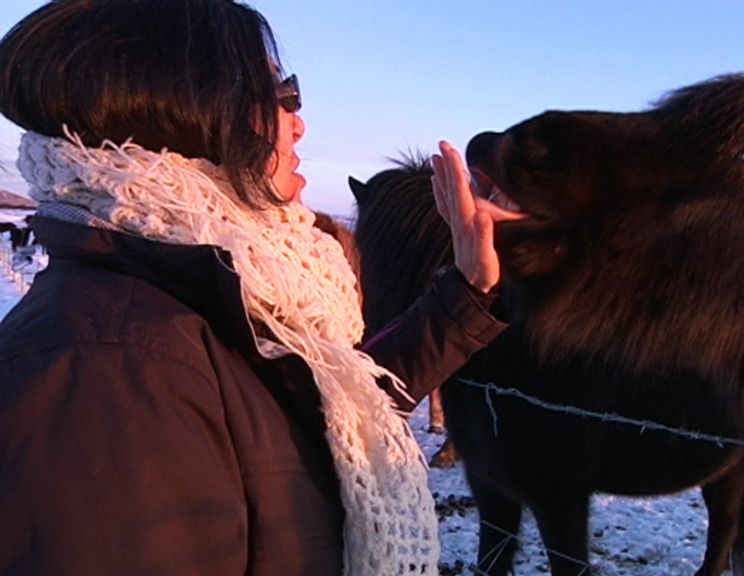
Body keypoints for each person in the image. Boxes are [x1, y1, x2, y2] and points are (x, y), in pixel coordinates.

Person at [0, 1, 519, 574]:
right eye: (282, 93)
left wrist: (467, 290)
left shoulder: (197, 290)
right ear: (195, 114)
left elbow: (317, 424)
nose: (299, 121)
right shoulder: (106, 375)